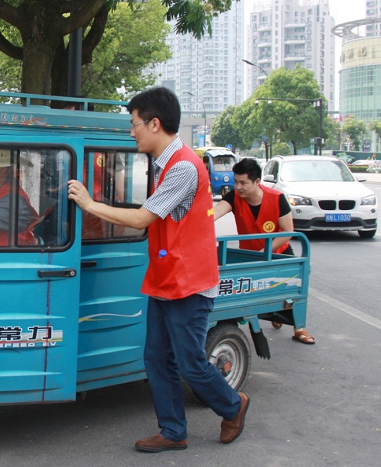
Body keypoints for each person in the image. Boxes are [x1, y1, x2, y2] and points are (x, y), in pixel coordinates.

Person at [68, 87, 249, 453]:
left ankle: (233, 405)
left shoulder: (182, 166)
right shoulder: (159, 162)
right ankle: (173, 431)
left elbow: (141, 219)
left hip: (189, 281)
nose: (131, 131)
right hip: (167, 277)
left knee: (191, 363)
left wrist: (90, 204)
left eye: (134, 124)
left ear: (154, 123)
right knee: (155, 358)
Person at [213, 158, 316, 345]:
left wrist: (265, 250)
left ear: (257, 182)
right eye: (235, 182)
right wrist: (200, 218)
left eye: (243, 182)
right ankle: (275, 314)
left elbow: (287, 232)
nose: (238, 187)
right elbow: (215, 213)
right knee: (256, 292)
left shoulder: (277, 198)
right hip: (250, 255)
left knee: (295, 284)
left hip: (279, 251)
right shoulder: (234, 197)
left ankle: (299, 328)